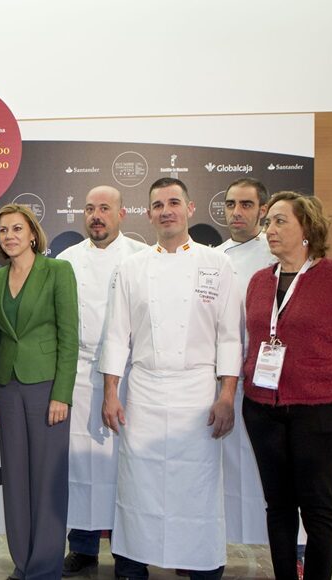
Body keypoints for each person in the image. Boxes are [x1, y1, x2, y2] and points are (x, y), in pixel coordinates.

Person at [100, 177, 242, 580]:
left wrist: (226, 395)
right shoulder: (131, 267)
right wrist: (111, 392)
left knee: (197, 486)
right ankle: (131, 565)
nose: (166, 211)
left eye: (174, 203)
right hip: (144, 391)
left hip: (198, 393)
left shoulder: (217, 264)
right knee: (138, 482)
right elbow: (117, 334)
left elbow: (229, 336)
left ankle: (202, 567)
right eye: (158, 205)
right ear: (148, 214)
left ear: (190, 208)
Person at [242, 192, 332, 580]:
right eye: (267, 222)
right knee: (278, 506)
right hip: (263, 410)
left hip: (323, 413)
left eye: (279, 221)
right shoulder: (259, 281)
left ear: (307, 228)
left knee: (317, 506)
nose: (269, 229)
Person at [0, 203, 79, 580]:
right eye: (3, 230)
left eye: (16, 229)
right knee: (16, 479)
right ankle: (22, 562)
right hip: (6, 387)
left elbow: (69, 337)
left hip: (46, 387)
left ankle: (44, 567)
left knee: (47, 480)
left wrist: (62, 394)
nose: (9, 236)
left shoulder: (58, 271)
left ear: (33, 234)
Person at [56, 186, 147, 577]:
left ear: (121, 213)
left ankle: (129, 555)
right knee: (81, 465)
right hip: (78, 373)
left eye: (105, 208)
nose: (96, 215)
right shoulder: (66, 260)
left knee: (125, 468)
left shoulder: (141, 258)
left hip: (127, 377)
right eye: (90, 208)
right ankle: (83, 547)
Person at [217, 178, 276, 546]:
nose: (236, 212)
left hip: (268, 380)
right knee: (223, 468)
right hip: (224, 380)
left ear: (263, 210)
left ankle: (293, 552)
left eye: (246, 204)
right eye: (231, 204)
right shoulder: (213, 258)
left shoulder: (277, 255)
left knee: (274, 469)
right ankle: (212, 548)